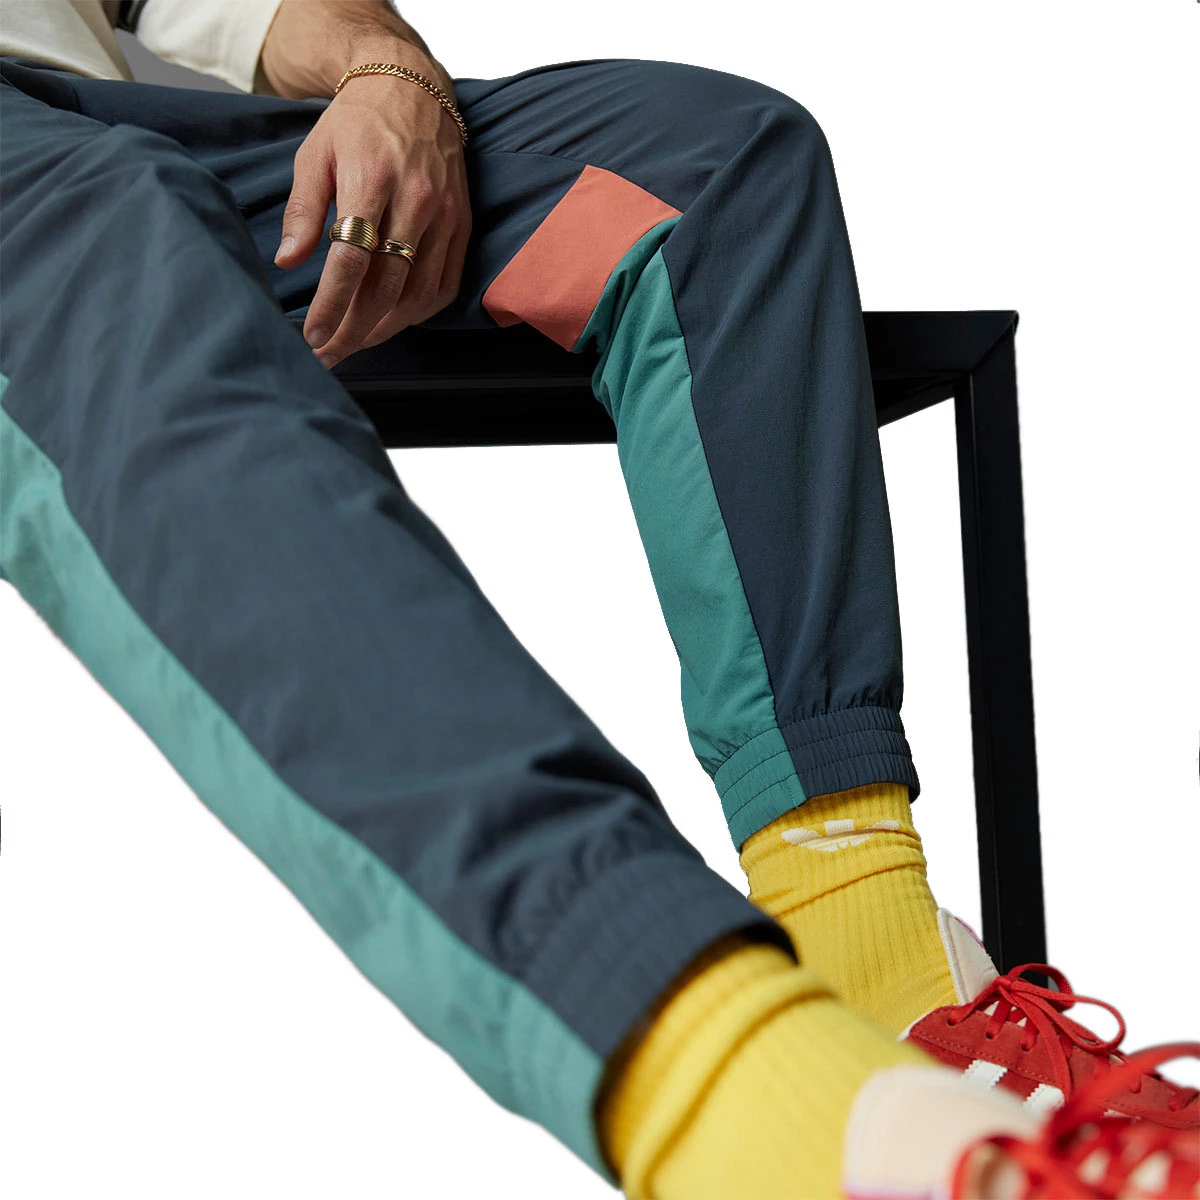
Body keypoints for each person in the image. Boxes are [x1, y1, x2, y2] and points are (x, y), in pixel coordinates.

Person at [1, 2, 1195, 1196]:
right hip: (65, 199)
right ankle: (790, 1130)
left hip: (143, 140)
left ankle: (880, 963)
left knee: (713, 166)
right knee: (112, 228)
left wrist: (385, 69)